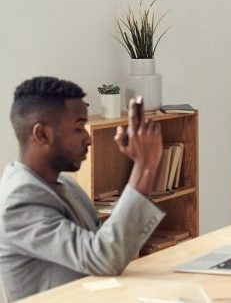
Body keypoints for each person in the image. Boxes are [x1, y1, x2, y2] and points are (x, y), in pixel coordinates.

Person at [0, 77, 165, 301]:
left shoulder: (66, 184)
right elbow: (103, 257)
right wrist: (144, 166)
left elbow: (105, 248)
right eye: (79, 128)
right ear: (42, 134)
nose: (88, 139)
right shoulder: (19, 200)